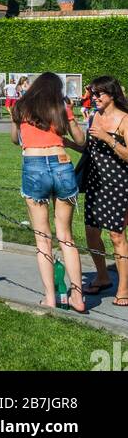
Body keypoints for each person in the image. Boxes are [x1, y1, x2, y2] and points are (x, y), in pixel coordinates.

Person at [10, 71, 86, 313]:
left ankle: (50, 297)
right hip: (61, 162)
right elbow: (81, 140)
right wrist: (71, 117)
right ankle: (78, 296)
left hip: (33, 163)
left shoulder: (22, 106)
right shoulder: (61, 106)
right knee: (66, 235)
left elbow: (15, 139)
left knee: (42, 238)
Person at [82, 76, 128, 305]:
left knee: (117, 236)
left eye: (99, 94)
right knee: (91, 232)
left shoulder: (124, 120)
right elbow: (87, 147)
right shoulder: (94, 117)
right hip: (95, 183)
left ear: (111, 95)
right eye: (93, 94)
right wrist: (69, 144)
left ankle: (123, 290)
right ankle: (102, 277)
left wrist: (108, 139)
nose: (94, 98)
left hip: (118, 184)